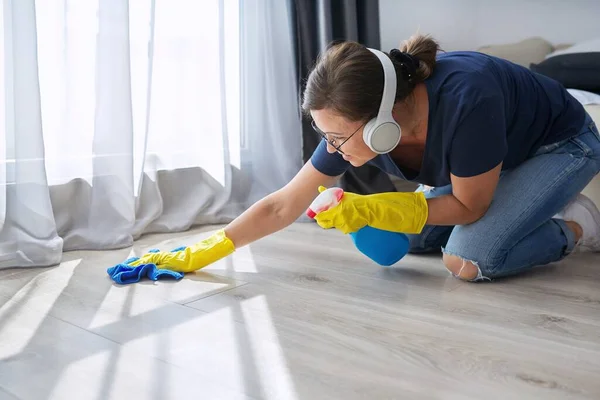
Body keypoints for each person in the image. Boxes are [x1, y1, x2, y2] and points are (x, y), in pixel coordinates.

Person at [132, 33, 600, 282]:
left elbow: (470, 206)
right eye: (324, 135)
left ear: (381, 122)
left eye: (336, 137)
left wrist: (374, 206)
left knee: (466, 260)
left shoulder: (468, 100)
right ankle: (525, 207)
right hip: (486, 161)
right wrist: (202, 250)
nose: (330, 148)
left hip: (560, 146)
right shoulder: (357, 119)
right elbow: (283, 204)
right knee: (414, 241)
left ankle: (579, 224)